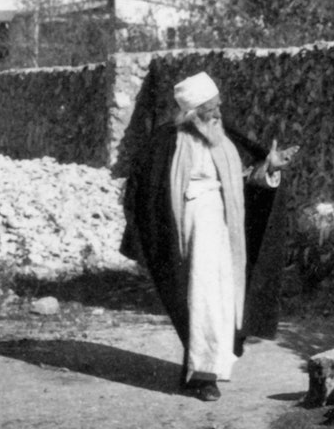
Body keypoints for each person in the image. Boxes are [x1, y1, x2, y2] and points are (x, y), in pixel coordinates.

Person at [120, 71, 298, 401]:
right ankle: (202, 375)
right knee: (200, 298)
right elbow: (144, 190)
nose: (217, 114)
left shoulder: (224, 138)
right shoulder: (166, 142)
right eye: (210, 108)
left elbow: (242, 183)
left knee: (222, 298)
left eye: (218, 107)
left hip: (224, 229)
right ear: (192, 112)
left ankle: (208, 366)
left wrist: (269, 167)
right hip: (188, 230)